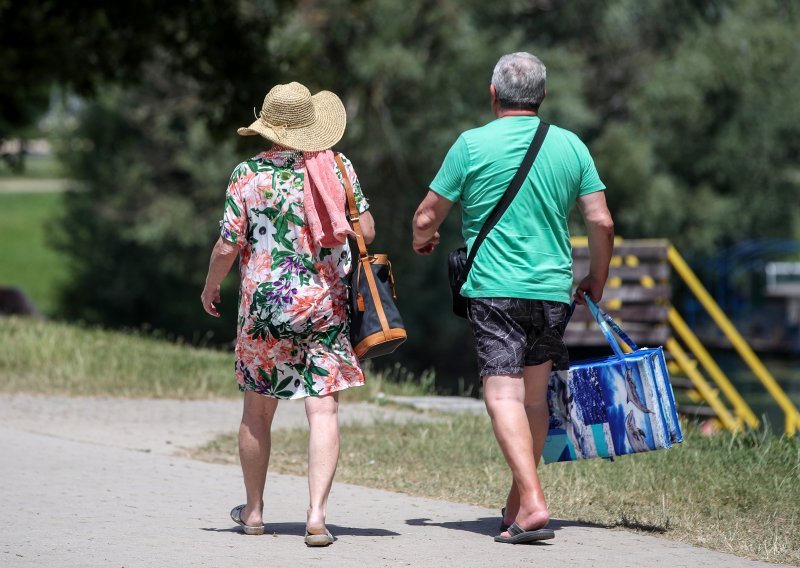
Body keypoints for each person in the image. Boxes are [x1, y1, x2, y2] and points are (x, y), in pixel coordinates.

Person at [411, 52, 614, 544]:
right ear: (543, 96)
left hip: (495, 290)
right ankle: (517, 507)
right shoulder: (570, 146)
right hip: (551, 293)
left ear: (493, 94)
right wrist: (596, 280)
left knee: (502, 394)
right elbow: (602, 221)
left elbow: (424, 218)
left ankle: (535, 500)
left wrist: (423, 239)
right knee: (534, 397)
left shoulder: (471, 144)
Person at [201, 81, 375, 547]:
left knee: (257, 411)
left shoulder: (246, 174)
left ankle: (254, 513)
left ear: (269, 128)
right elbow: (367, 232)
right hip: (323, 304)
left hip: (263, 309)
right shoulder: (336, 167)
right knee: (323, 410)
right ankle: (317, 516)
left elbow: (227, 244)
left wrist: (211, 284)